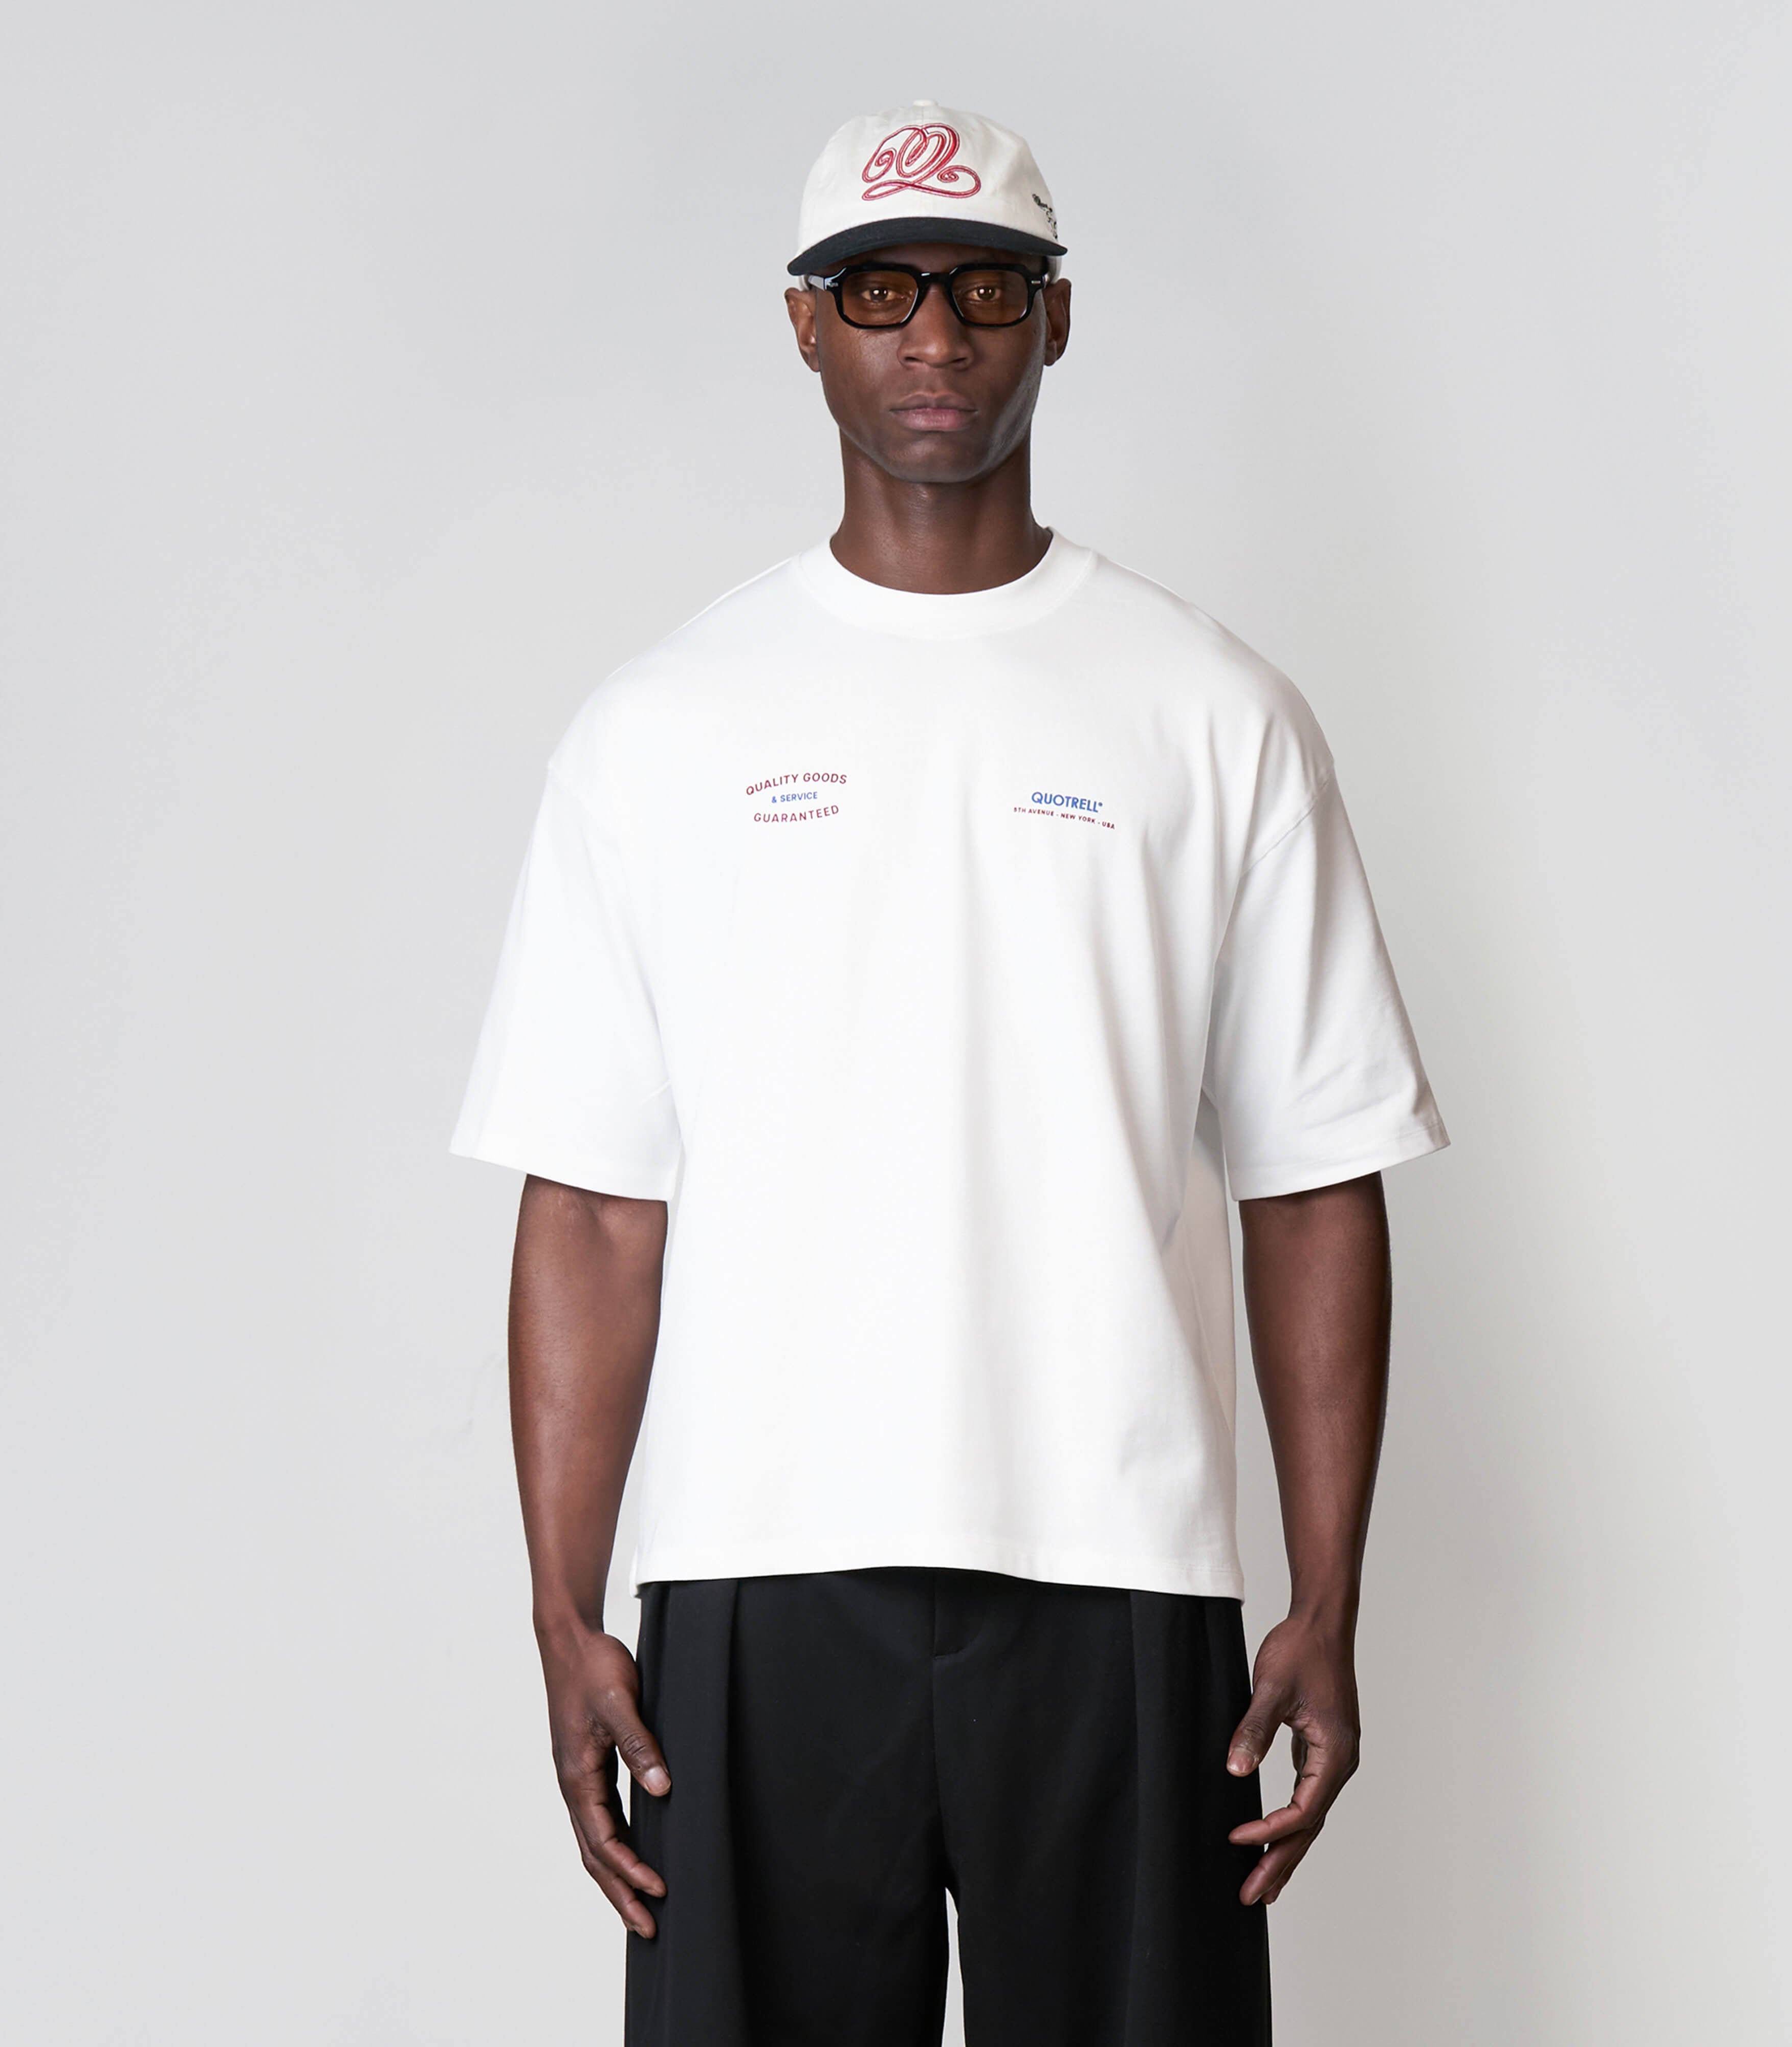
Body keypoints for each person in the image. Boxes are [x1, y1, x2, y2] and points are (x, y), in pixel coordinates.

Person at [452, 100, 1447, 2047]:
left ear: (1054, 321)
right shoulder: (664, 727)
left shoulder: (1210, 710)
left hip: (1120, 1559)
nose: (934, 335)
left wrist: (1326, 1600)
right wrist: (565, 1613)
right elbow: (590, 1202)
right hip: (754, 1569)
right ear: (804, 327)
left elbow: (1316, 1176)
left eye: (986, 289)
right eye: (879, 290)